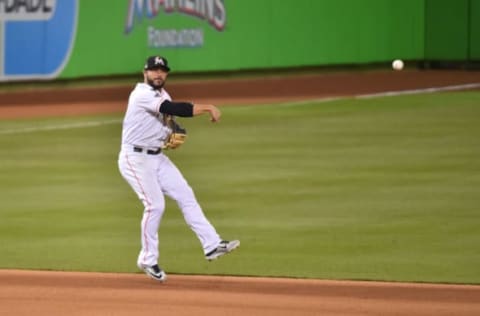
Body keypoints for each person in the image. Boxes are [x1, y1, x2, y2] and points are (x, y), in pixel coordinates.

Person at [118, 56, 240, 282]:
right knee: (155, 206)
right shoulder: (141, 94)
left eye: (162, 71)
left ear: (167, 74)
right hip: (134, 158)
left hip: (156, 156)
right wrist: (206, 107)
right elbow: (174, 108)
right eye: (154, 70)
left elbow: (169, 119)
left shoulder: (162, 94)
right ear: (144, 73)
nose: (158, 74)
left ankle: (212, 245)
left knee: (186, 194)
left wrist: (173, 131)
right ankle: (147, 259)